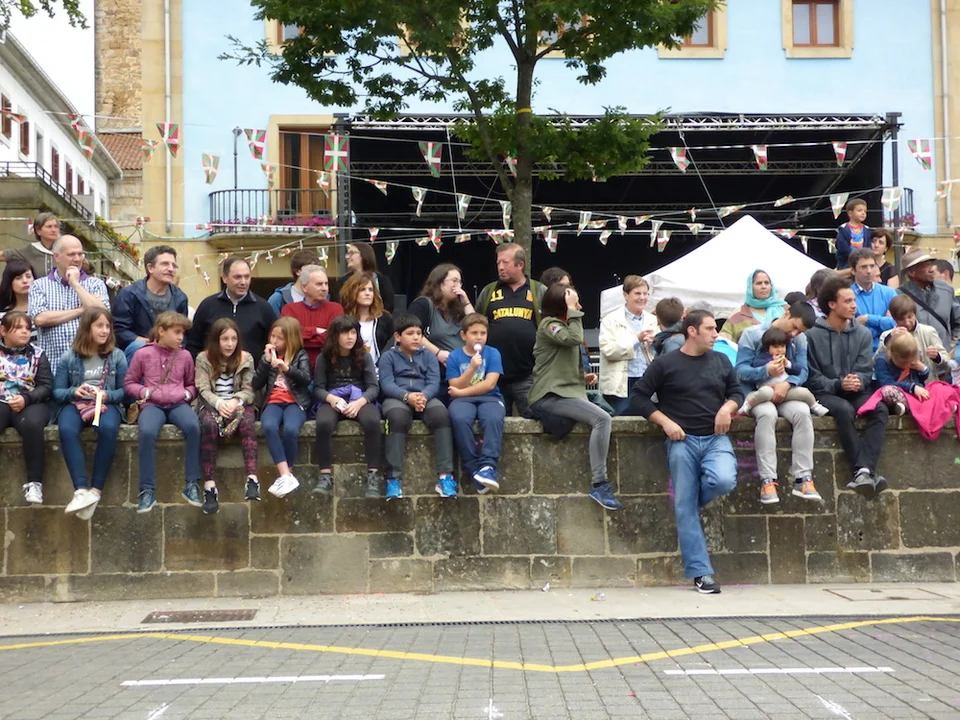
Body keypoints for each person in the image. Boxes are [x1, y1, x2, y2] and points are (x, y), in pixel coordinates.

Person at [629, 310, 742, 595]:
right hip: (681, 442)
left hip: (716, 439)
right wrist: (665, 422)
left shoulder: (721, 360)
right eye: (710, 329)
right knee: (684, 508)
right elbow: (638, 397)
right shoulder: (665, 363)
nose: (716, 334)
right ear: (692, 331)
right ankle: (701, 573)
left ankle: (689, 502)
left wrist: (727, 408)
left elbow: (737, 392)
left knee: (723, 481)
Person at [528, 284, 621, 510]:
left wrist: (581, 378)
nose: (579, 306)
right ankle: (599, 484)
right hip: (548, 396)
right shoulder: (549, 325)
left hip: (564, 392)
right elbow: (574, 338)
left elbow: (558, 362)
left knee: (604, 414)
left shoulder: (563, 325)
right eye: (574, 303)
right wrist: (572, 311)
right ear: (563, 306)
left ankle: (600, 484)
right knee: (602, 419)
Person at [804, 277, 890, 497]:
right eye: (848, 301)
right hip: (824, 393)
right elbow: (811, 377)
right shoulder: (811, 335)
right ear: (832, 304)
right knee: (844, 410)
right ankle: (864, 470)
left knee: (879, 408)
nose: (854, 306)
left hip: (856, 391)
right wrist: (838, 383)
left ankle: (863, 470)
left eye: (854, 300)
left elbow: (866, 370)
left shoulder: (862, 333)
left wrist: (858, 380)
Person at [734, 306, 825, 506]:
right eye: (794, 327)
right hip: (758, 393)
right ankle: (767, 480)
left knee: (803, 412)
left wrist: (788, 383)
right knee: (767, 415)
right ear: (787, 313)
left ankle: (803, 478)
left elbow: (803, 370)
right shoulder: (752, 334)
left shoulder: (799, 340)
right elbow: (740, 370)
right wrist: (765, 371)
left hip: (787, 391)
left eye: (799, 331)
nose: (794, 334)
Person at [124, 311, 201, 514]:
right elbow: (129, 382)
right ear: (161, 331)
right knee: (147, 431)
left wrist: (187, 394)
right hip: (152, 404)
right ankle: (146, 490)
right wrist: (144, 392)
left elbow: (192, 384)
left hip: (178, 403)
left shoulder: (185, 355)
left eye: (182, 333)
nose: (181, 337)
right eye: (176, 332)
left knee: (193, 426)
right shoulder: (143, 354)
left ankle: (192, 483)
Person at [53, 307, 126, 519]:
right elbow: (57, 392)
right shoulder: (69, 356)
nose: (104, 331)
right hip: (76, 404)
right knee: (66, 429)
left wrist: (107, 395)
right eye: (99, 326)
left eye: (107, 326)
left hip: (105, 404)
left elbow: (125, 391)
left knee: (108, 428)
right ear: (87, 327)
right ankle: (81, 491)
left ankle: (95, 491)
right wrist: (73, 391)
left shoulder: (117, 355)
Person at [378, 314, 455, 500]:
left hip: (425, 396)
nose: (415, 337)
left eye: (419, 333)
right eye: (410, 333)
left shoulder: (428, 356)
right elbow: (387, 384)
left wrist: (423, 397)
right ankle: (393, 479)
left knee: (441, 415)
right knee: (396, 418)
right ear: (398, 336)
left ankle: (445, 477)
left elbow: (434, 382)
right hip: (397, 397)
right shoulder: (388, 357)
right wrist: (407, 397)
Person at [312, 315, 382, 498]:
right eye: (345, 333)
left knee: (373, 421)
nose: (350, 337)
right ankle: (325, 475)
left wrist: (359, 402)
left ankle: (373, 475)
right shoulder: (324, 358)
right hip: (333, 398)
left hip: (359, 398)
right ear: (335, 335)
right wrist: (332, 399)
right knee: (323, 423)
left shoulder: (364, 356)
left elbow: (373, 387)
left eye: (353, 332)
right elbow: (318, 388)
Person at [194, 318, 260, 512]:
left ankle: (252, 479)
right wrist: (219, 403)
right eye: (225, 339)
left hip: (237, 404)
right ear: (216, 340)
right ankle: (209, 486)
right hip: (212, 404)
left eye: (233, 339)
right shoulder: (203, 358)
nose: (230, 344)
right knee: (208, 425)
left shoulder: (246, 358)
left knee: (248, 423)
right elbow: (203, 389)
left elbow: (249, 390)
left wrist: (235, 401)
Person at [475, 244, 546, 417]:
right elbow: (476, 324)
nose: (500, 267)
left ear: (520, 265)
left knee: (536, 421)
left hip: (529, 374)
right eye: (498, 263)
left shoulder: (539, 291)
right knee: (494, 420)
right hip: (494, 375)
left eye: (505, 263)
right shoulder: (489, 291)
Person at [28, 235, 110, 375]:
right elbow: (40, 319)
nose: (77, 259)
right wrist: (82, 309)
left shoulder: (95, 284)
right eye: (71, 254)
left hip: (89, 367)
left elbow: (103, 315)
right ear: (56, 256)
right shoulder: (39, 285)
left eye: (80, 254)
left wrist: (75, 284)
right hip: (52, 367)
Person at [447, 313, 506, 495]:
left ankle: (488, 465)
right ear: (463, 335)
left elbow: (489, 384)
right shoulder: (454, 356)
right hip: (462, 401)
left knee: (493, 418)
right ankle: (473, 468)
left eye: (483, 333)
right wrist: (472, 368)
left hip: (489, 397)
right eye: (474, 333)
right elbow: (455, 384)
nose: (479, 337)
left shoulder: (493, 353)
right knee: (460, 419)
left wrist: (460, 392)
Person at [253, 316, 312, 499]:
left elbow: (306, 379)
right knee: (269, 426)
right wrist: (265, 362)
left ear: (290, 339)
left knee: (291, 429)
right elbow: (256, 384)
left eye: (280, 338)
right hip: (273, 402)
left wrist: (287, 369)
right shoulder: (267, 358)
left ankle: (288, 474)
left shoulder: (300, 355)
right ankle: (285, 474)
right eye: (273, 336)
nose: (274, 341)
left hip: (295, 402)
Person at [0, 312, 51, 505]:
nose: (25, 332)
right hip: (1, 400)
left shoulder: (38, 354)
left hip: (31, 401)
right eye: (18, 328)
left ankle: (34, 483)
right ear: (3, 331)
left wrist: (26, 398)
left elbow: (46, 386)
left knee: (32, 425)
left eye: (28, 328)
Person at [187, 256, 277, 365]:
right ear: (224, 278)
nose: (243, 282)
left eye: (247, 277)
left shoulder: (264, 308)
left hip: (253, 374)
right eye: (237, 277)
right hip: (212, 374)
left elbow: (274, 344)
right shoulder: (207, 306)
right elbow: (193, 344)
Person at [112, 245, 189, 362]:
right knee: (138, 347)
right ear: (150, 268)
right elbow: (119, 331)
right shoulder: (129, 294)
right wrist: (152, 344)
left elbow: (183, 333)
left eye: (174, 265)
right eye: (165, 264)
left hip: (169, 353)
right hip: (136, 354)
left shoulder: (180, 298)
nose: (171, 269)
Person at [598, 275, 657, 414]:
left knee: (647, 421)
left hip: (646, 380)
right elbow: (608, 350)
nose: (642, 297)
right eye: (637, 293)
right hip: (621, 383)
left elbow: (660, 353)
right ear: (625, 295)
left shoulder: (653, 319)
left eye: (645, 293)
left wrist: (655, 343)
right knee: (622, 421)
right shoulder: (610, 320)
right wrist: (637, 339)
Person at [409, 263, 476, 368]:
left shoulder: (458, 309)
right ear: (440, 283)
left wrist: (467, 303)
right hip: (436, 368)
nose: (458, 286)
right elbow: (411, 333)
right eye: (454, 281)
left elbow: (476, 327)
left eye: (460, 282)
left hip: (463, 368)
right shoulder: (423, 304)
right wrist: (438, 353)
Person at [280, 265, 344, 371]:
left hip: (328, 369)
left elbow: (333, 339)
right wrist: (316, 331)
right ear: (304, 287)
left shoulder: (336, 309)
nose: (324, 288)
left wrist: (302, 336)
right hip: (296, 370)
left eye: (326, 283)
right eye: (319, 284)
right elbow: (288, 338)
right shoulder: (290, 309)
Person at [898, 249, 960, 351]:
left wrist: (954, 342)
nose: (931, 270)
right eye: (925, 266)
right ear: (911, 272)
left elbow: (958, 319)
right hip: (916, 353)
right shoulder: (900, 295)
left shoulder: (946, 289)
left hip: (944, 353)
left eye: (931, 264)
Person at [877, 295, 949, 382]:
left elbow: (947, 363)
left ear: (915, 314)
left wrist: (937, 357)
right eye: (901, 319)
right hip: (899, 386)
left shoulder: (928, 332)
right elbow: (876, 362)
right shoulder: (886, 336)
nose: (907, 322)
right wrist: (889, 340)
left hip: (928, 384)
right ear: (894, 319)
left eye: (910, 317)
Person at [338, 271, 394, 364]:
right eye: (362, 289)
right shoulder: (343, 319)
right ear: (352, 292)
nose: (367, 293)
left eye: (370, 290)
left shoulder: (384, 318)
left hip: (378, 368)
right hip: (351, 368)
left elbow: (393, 345)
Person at [719, 270, 786, 345]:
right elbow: (723, 342)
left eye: (767, 283)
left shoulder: (783, 309)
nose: (764, 286)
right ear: (750, 287)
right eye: (759, 283)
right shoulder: (739, 314)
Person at [849, 248, 897, 352]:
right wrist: (884, 323)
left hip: (889, 353)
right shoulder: (847, 296)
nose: (869, 271)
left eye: (872, 266)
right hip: (859, 353)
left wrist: (868, 319)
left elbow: (898, 323)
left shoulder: (889, 293)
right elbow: (850, 330)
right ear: (853, 271)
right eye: (863, 267)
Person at [873, 332, 930, 416]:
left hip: (916, 393)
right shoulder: (882, 361)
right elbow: (886, 383)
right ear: (892, 355)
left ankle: (923, 404)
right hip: (898, 394)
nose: (907, 365)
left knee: (938, 387)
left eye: (909, 362)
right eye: (903, 363)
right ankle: (908, 407)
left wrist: (923, 369)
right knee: (887, 390)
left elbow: (922, 379)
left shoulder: (913, 360)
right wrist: (912, 388)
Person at [331, 241, 396, 313]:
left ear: (364, 255)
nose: (347, 257)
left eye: (352, 253)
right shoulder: (342, 282)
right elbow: (337, 306)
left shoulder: (382, 281)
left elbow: (389, 306)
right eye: (347, 253)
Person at [0, 211, 60, 277]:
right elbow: (3, 255)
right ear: (38, 231)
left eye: (56, 226)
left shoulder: (64, 247)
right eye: (49, 227)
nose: (54, 230)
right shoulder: (31, 250)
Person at [268, 249, 320, 316]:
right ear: (298, 271)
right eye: (310, 269)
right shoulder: (278, 299)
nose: (315, 273)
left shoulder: (322, 297)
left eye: (317, 270)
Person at [0, 260, 36, 343]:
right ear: (10, 283)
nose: (25, 281)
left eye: (28, 276)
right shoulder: (3, 315)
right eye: (18, 278)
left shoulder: (45, 310)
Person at [835, 197, 869, 270]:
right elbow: (842, 246)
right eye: (859, 210)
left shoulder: (866, 229)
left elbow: (868, 246)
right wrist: (854, 257)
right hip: (846, 263)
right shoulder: (843, 229)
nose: (863, 213)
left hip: (863, 262)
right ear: (850, 213)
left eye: (865, 211)